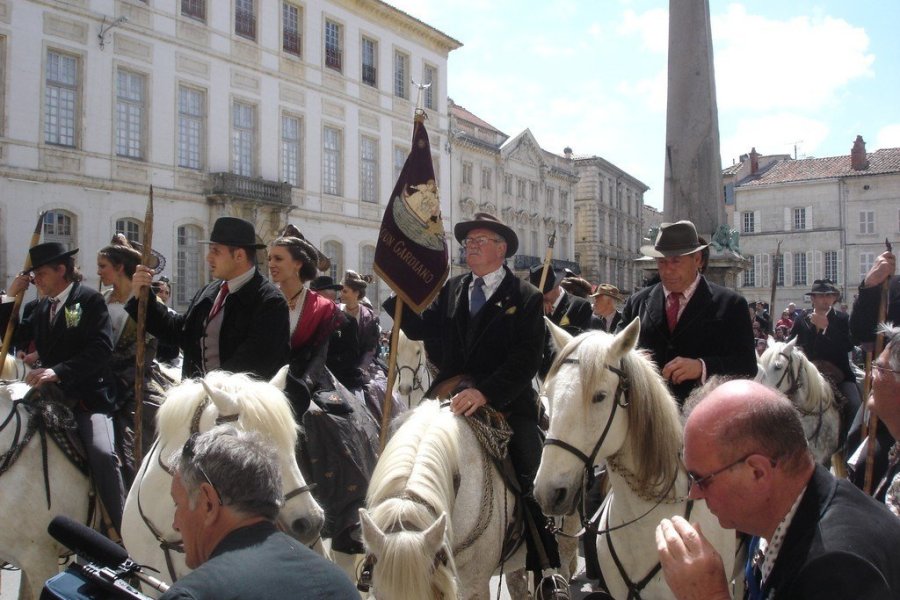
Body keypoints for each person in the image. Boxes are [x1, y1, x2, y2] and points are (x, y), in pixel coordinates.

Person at [384, 212, 562, 586]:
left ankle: (544, 558)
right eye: (469, 242)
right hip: (450, 395)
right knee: (409, 445)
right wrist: (395, 292)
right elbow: (418, 325)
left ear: (502, 250)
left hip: (506, 400)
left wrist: (486, 392)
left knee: (529, 462)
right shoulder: (453, 288)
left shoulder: (526, 297)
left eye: (481, 241)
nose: (471, 247)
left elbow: (525, 359)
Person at [655, 379, 900, 600]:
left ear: (758, 472)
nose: (693, 494)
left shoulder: (837, 572)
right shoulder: (779, 520)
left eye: (701, 479)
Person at [0, 242, 125, 532]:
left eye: (41, 274)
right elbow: (12, 337)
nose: (37, 281)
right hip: (47, 398)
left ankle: (120, 530)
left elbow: (100, 349)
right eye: (34, 276)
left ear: (61, 270)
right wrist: (11, 296)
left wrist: (57, 371)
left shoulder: (90, 300)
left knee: (102, 453)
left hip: (87, 397)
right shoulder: (41, 307)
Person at [160, 425, 358, 599]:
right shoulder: (339, 583)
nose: (175, 523)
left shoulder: (195, 594)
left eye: (178, 505)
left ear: (208, 503)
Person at [127, 217, 289, 380]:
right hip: (198, 395)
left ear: (239, 255)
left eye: (216, 251)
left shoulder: (270, 302)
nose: (208, 258)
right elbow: (177, 331)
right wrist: (143, 297)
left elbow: (254, 364)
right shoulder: (210, 291)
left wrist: (210, 392)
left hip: (238, 399)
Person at [617, 220, 757, 404]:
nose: (667, 269)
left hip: (704, 417)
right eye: (662, 262)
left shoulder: (731, 304)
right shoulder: (637, 303)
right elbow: (615, 352)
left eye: (676, 261)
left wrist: (702, 367)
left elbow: (746, 366)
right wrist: (632, 360)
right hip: (646, 417)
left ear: (697, 259)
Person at [96, 236, 160, 482]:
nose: (98, 272)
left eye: (103, 266)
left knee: (141, 425)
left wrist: (121, 377)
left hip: (134, 378)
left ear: (119, 267)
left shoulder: (146, 302)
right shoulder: (100, 300)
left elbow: (148, 346)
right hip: (100, 377)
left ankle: (140, 478)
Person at [267, 226, 343, 417]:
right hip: (264, 382)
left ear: (297, 264)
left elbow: (319, 356)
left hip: (305, 380)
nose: (271, 264)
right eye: (269, 259)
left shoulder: (322, 308)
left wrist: (301, 387)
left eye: (278, 258)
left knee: (324, 420)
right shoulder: (263, 300)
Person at [789, 279, 860, 442]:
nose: (826, 300)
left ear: (834, 298)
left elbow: (849, 345)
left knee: (855, 405)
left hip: (838, 374)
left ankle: (849, 445)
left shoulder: (842, 318)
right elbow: (793, 344)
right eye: (821, 296)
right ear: (813, 299)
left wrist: (827, 328)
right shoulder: (801, 318)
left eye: (829, 296)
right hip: (808, 375)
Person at [848, 323, 900, 514]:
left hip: (841, 377)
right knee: (855, 434)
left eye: (878, 368)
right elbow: (861, 329)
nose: (869, 374)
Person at [326, 271, 380, 399]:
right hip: (335, 367)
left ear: (356, 293)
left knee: (377, 390)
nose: (341, 294)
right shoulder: (334, 311)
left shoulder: (370, 317)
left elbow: (370, 349)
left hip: (362, 366)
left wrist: (361, 368)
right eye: (340, 291)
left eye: (345, 291)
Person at [529, 265, 593, 334]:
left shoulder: (580, 306)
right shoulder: (533, 308)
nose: (541, 297)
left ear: (557, 285)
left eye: (544, 293)